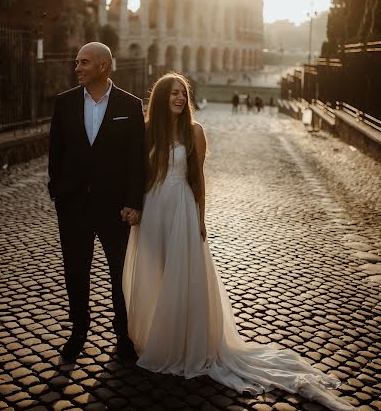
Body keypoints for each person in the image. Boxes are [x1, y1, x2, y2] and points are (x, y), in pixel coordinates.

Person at [122, 72, 353, 411]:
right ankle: (157, 336)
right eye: (172, 93)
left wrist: (200, 218)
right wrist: (135, 208)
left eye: (182, 94)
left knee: (183, 278)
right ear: (160, 98)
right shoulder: (147, 131)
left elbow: (198, 178)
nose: (179, 99)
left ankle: (186, 344)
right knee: (154, 275)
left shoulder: (195, 131)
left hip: (182, 208)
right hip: (154, 208)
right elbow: (137, 173)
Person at [48, 42, 145, 362]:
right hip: (73, 205)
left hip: (115, 207)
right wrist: (59, 194)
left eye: (84, 62)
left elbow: (136, 159)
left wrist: (133, 201)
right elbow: (56, 154)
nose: (77, 68)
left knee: (121, 272)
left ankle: (123, 334)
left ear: (104, 66)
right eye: (77, 62)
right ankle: (78, 331)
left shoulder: (130, 105)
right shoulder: (63, 103)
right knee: (75, 271)